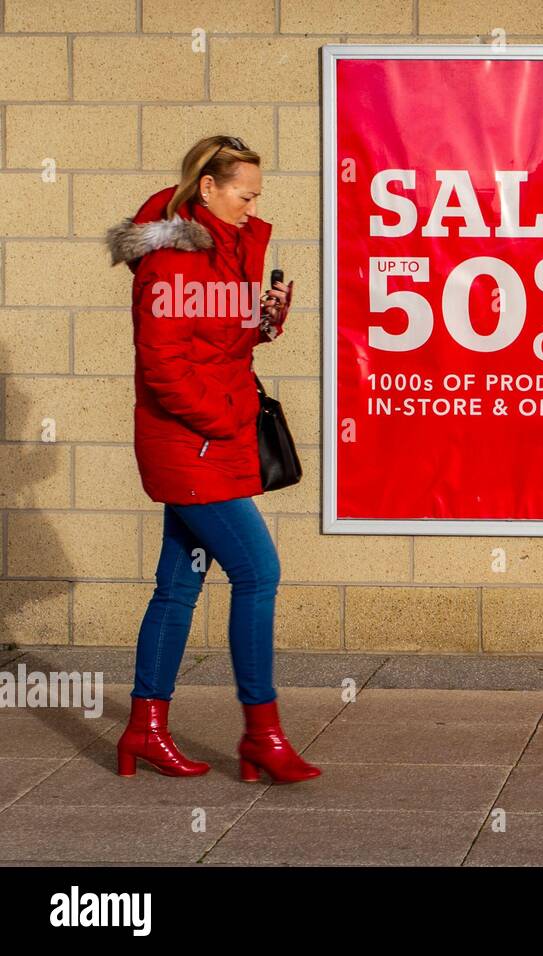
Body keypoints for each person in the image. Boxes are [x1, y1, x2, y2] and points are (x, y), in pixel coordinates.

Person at [105, 135, 319, 785]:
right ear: (208, 189)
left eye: (258, 196)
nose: (254, 207)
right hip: (193, 443)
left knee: (178, 585)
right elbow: (164, 366)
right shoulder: (173, 260)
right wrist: (223, 420)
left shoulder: (224, 249)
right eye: (244, 194)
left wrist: (265, 324)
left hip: (208, 441)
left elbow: (216, 338)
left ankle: (144, 730)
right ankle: (262, 735)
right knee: (258, 572)